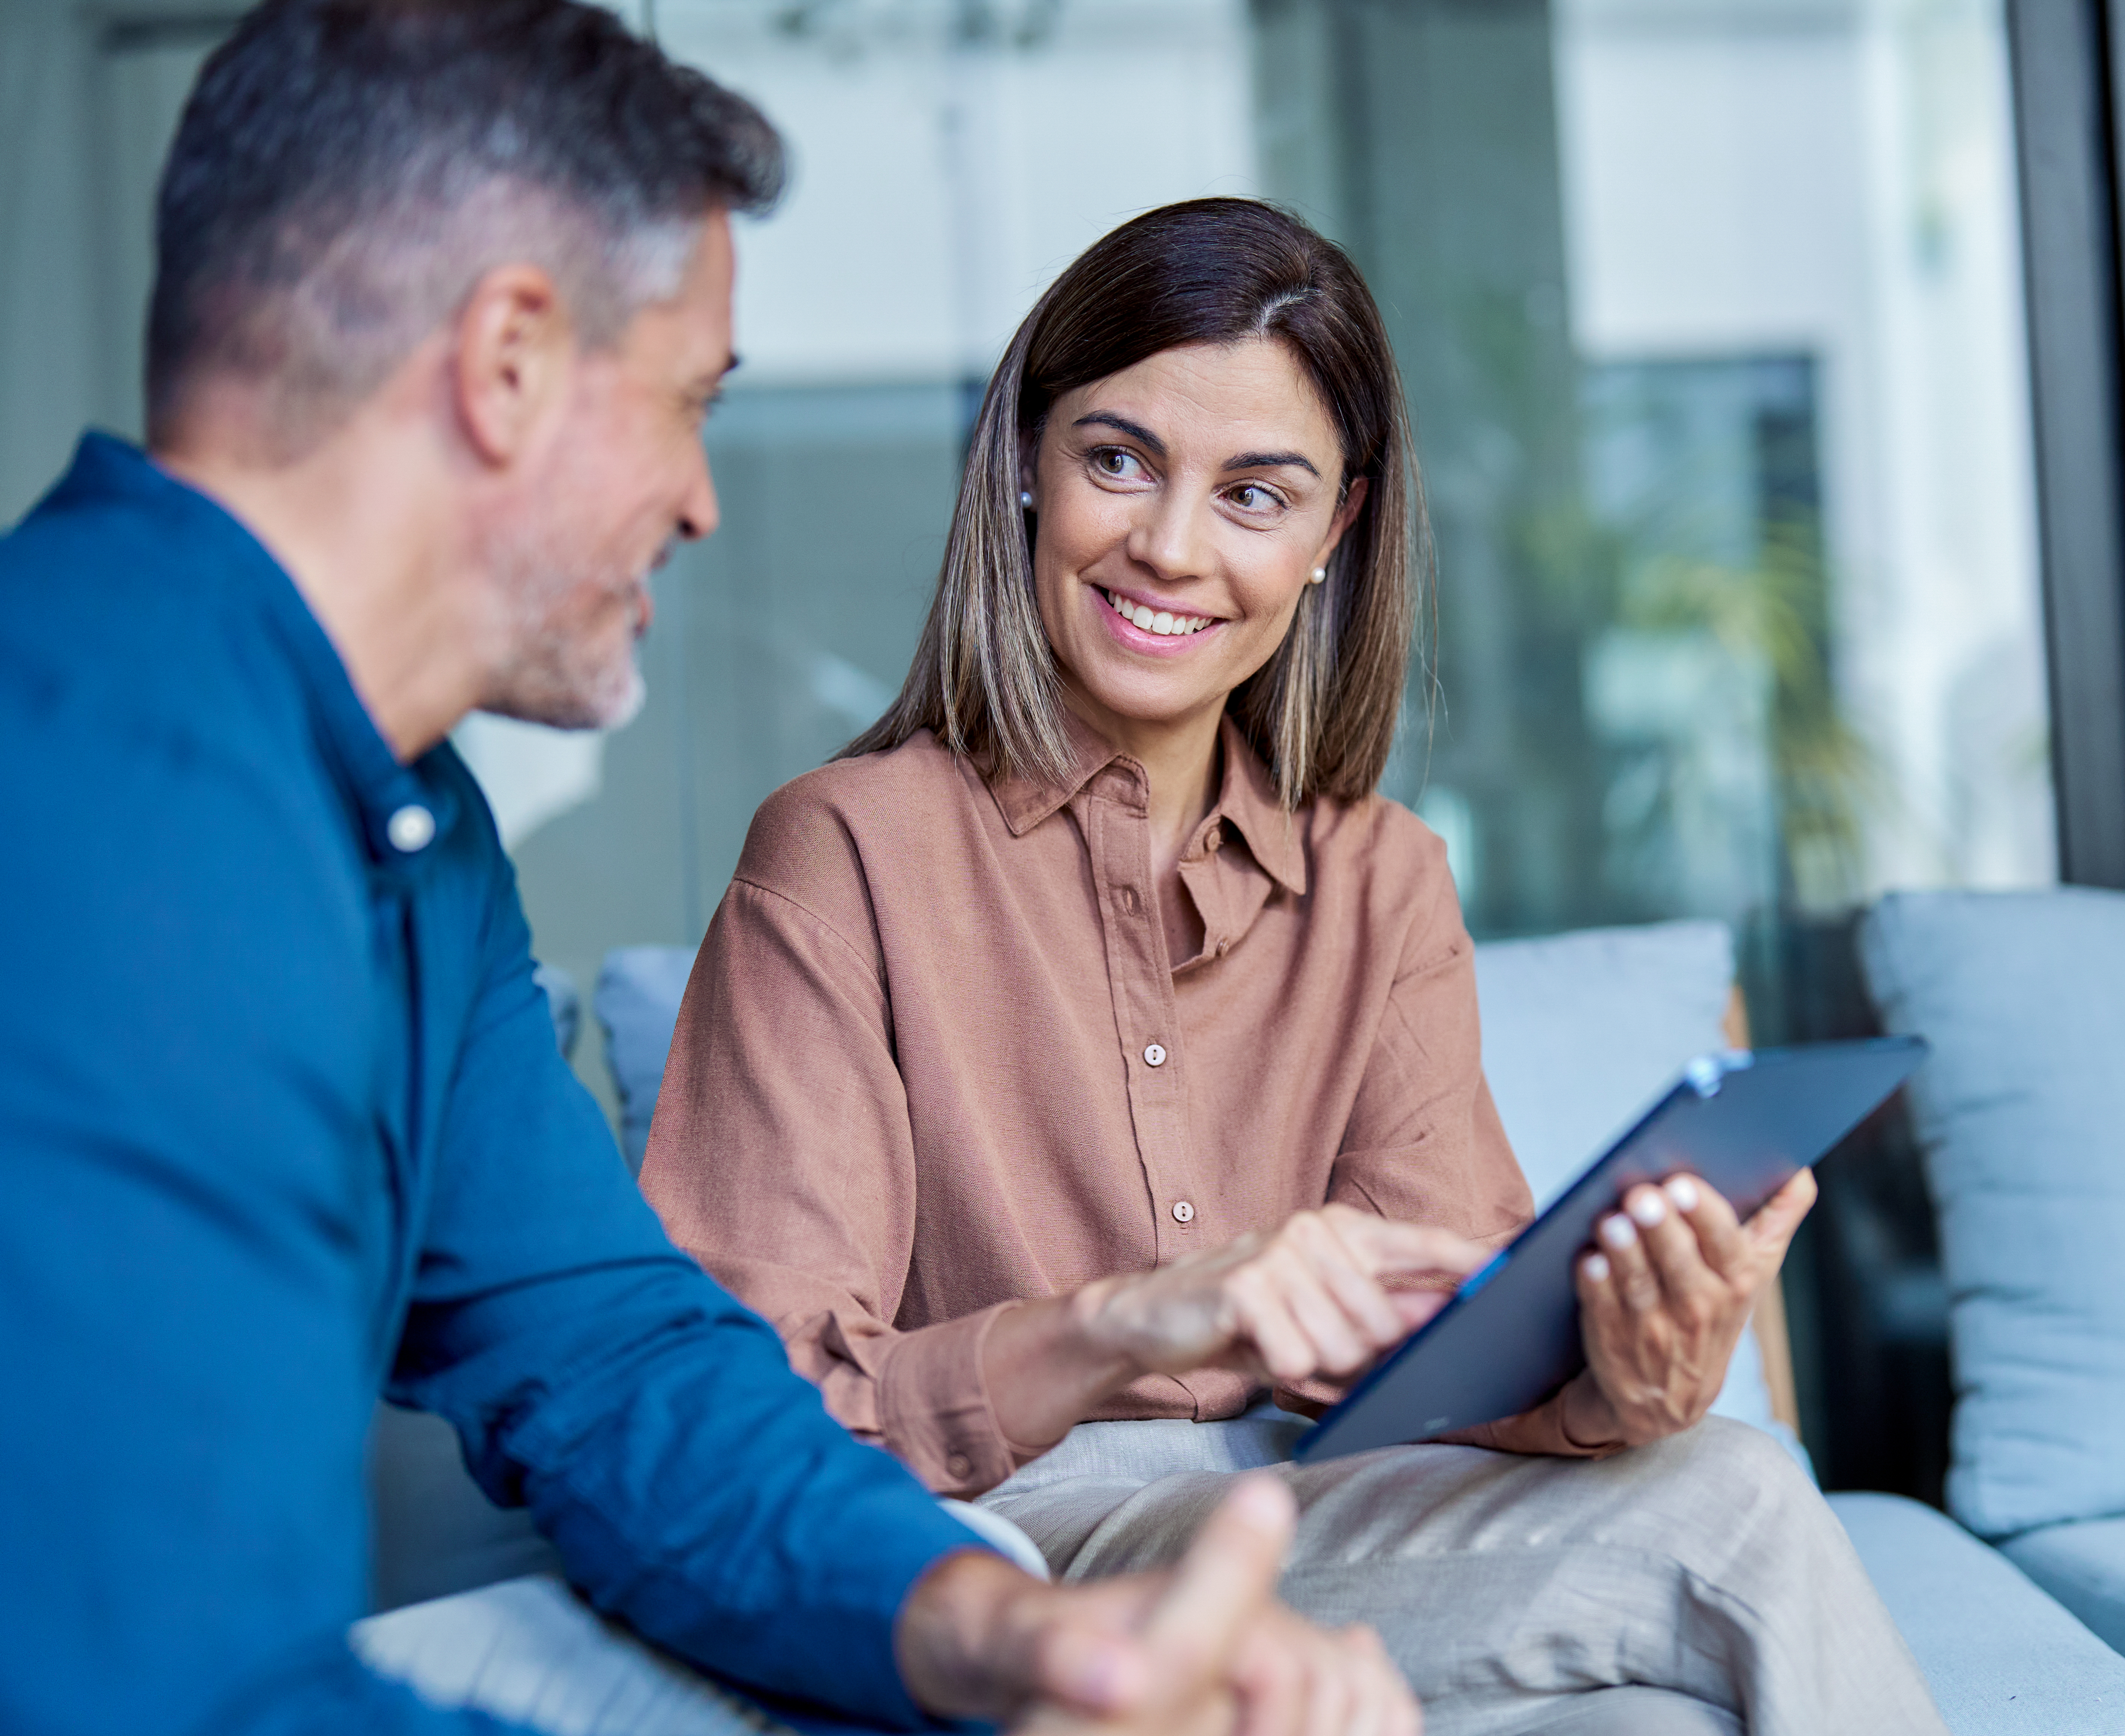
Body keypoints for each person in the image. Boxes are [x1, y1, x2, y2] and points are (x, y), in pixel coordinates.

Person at [0, 5, 1420, 1733]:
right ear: (508, 361)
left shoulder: (406, 828)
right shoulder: (81, 797)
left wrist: (1000, 1634)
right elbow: (152, 1690)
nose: (700, 502)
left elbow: (615, 1368)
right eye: (688, 403)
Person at [640, 198, 1949, 1735]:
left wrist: (1631, 1366)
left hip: (1334, 1518)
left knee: (1690, 1561)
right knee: (1732, 1508)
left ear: (1336, 532)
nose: (1171, 547)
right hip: (1015, 1545)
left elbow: (1464, 1357)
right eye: (1116, 458)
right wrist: (1132, 1317)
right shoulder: (842, 850)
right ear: (1023, 466)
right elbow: (741, 1417)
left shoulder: (1380, 876)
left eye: (1256, 493)